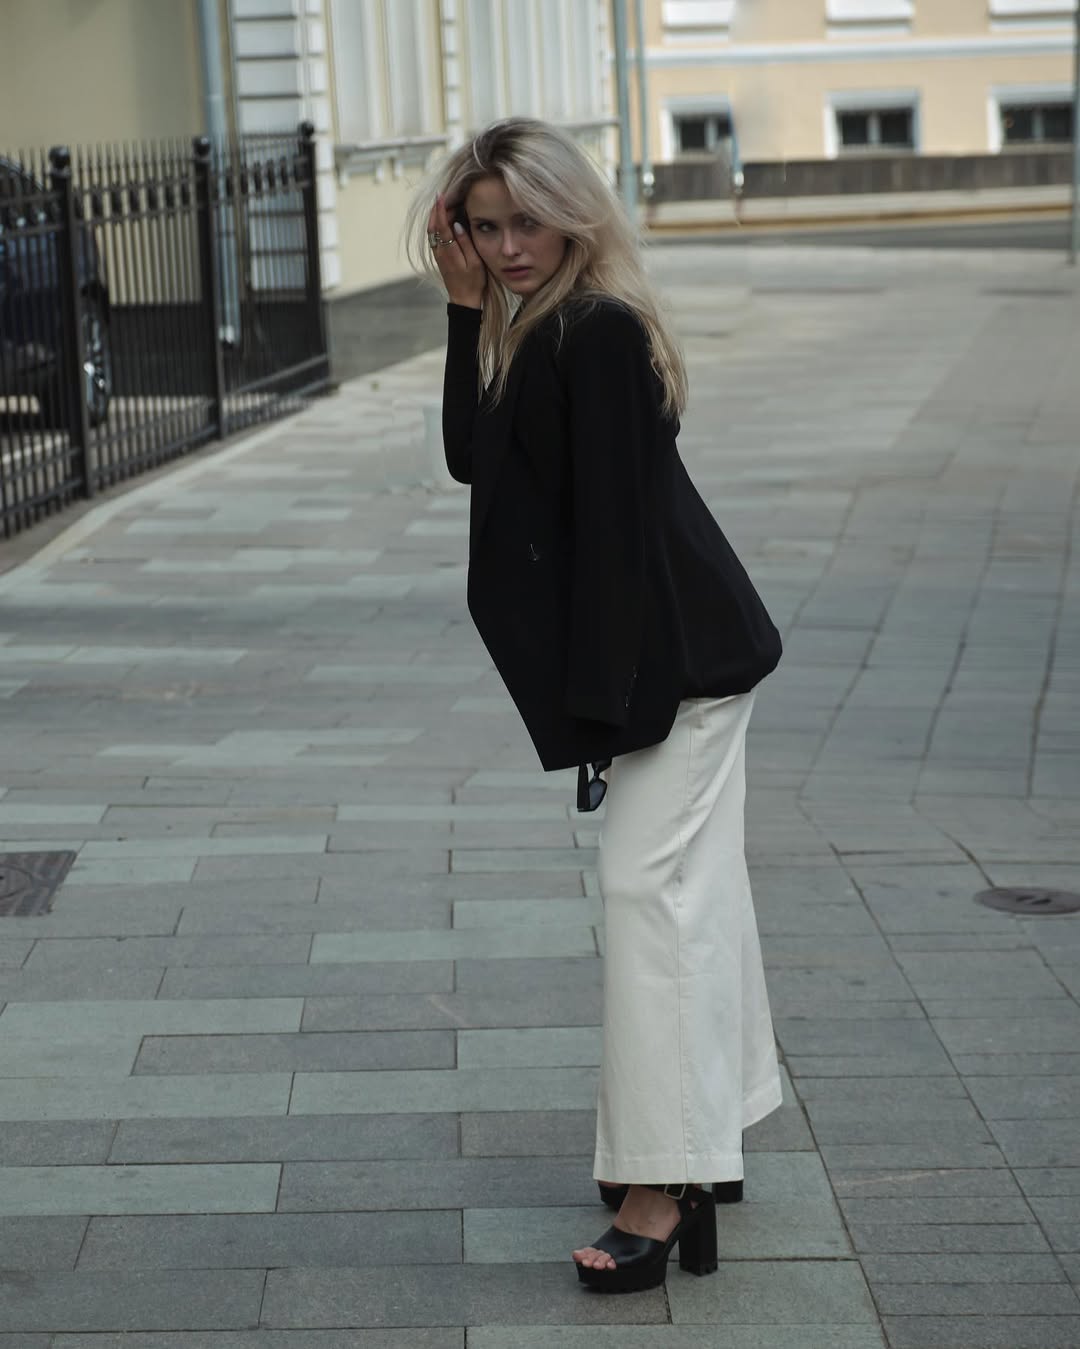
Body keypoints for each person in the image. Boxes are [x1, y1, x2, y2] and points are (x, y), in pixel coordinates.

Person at [406, 118, 783, 1295]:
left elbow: (617, 536)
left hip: (677, 668)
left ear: (574, 212)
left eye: (526, 221)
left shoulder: (601, 329)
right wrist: (465, 308)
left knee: (646, 900)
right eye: (485, 227)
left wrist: (607, 714)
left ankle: (663, 1186)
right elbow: (474, 458)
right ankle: (710, 1138)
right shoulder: (534, 318)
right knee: (692, 893)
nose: (508, 246)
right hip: (671, 659)